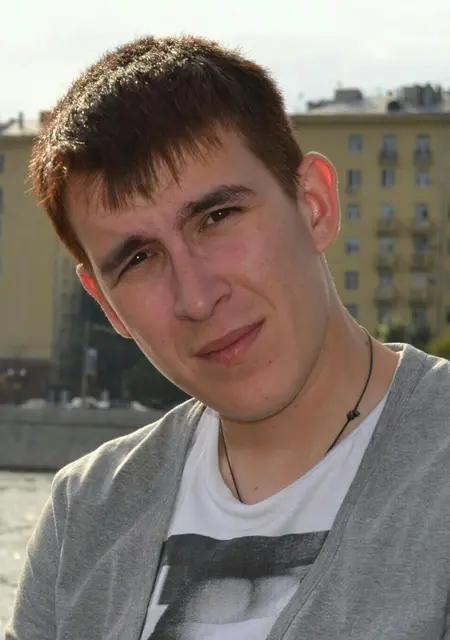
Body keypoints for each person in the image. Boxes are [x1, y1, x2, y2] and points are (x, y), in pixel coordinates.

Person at [6, 35, 450, 640]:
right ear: (106, 304)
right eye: (139, 258)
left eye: (217, 218)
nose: (196, 297)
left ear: (314, 206)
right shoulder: (84, 514)